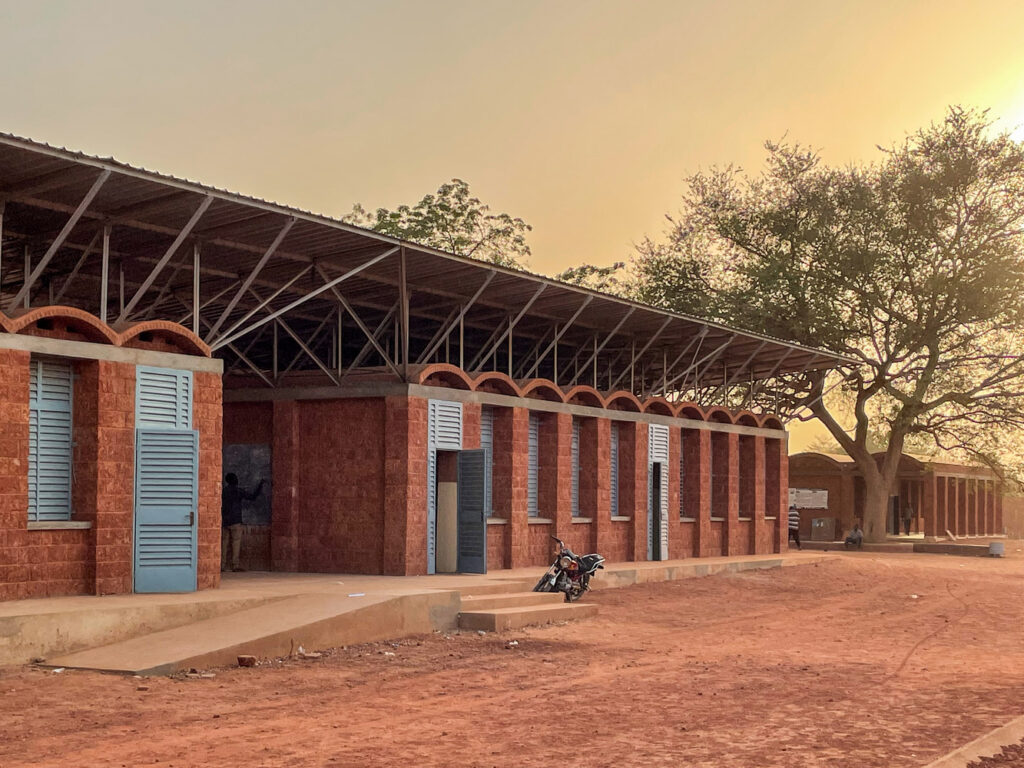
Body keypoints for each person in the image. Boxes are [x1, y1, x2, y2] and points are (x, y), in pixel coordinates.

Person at [222, 473, 263, 572]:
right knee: (236, 543)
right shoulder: (238, 491)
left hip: (225, 521)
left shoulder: (224, 491)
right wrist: (260, 485)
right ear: (235, 480)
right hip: (236, 521)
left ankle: (221, 566)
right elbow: (252, 497)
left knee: (224, 544)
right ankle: (235, 566)